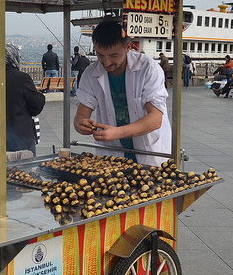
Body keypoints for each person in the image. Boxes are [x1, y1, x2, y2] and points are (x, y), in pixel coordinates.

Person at [73, 21, 171, 167]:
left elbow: (155, 119)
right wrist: (81, 124)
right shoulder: (90, 73)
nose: (106, 63)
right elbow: (81, 115)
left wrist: (117, 132)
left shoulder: (148, 69)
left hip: (150, 153)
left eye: (113, 55)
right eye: (100, 55)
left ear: (128, 48)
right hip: (111, 156)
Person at [0, 44, 46, 165]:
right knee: (19, 178)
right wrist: (40, 95)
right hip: (18, 141)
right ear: (14, 58)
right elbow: (37, 106)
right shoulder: (22, 78)